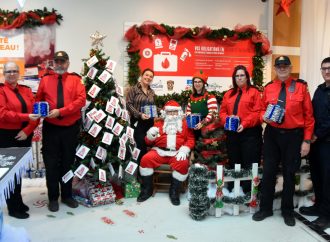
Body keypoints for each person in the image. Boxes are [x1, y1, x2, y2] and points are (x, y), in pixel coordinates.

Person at [252, 56, 314, 226]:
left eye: (285, 65)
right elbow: (260, 110)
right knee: (269, 172)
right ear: (274, 68)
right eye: (279, 66)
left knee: (289, 174)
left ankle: (288, 211)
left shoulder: (301, 87)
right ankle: (265, 209)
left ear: (290, 67)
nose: (282, 68)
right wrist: (262, 116)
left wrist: (306, 141)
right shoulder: (269, 88)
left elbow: (309, 117)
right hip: (272, 135)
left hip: (294, 137)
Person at [35, 51, 86, 212]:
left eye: (62, 61)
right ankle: (52, 198)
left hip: (70, 130)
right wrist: (40, 110)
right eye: (57, 61)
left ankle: (67, 195)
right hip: (51, 129)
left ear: (68, 63)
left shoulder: (76, 80)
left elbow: (81, 101)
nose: (59, 64)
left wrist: (61, 111)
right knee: (51, 165)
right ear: (53, 63)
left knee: (67, 163)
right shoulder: (45, 80)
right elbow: (38, 100)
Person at [0, 61, 39, 219]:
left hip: (24, 134)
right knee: (10, 173)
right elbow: (2, 113)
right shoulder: (1, 91)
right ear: (4, 74)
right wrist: (26, 117)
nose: (12, 74)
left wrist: (28, 129)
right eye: (8, 71)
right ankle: (13, 206)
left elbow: (35, 113)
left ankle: (18, 201)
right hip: (6, 136)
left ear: (19, 73)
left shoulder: (26, 90)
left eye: (15, 71)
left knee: (19, 172)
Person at [137, 100, 195, 205]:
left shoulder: (185, 124)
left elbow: (190, 140)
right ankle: (147, 189)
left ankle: (174, 192)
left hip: (177, 152)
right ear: (165, 113)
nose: (172, 114)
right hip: (159, 151)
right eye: (170, 112)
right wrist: (150, 135)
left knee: (183, 163)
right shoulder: (159, 123)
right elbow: (148, 142)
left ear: (179, 113)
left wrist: (184, 150)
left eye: (174, 112)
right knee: (145, 159)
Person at [219, 65, 263, 193]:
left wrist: (244, 123)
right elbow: (222, 112)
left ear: (247, 77)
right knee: (234, 161)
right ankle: (234, 190)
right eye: (237, 76)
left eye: (242, 75)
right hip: (232, 134)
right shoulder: (228, 94)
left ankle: (249, 191)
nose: (239, 78)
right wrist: (227, 119)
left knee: (249, 163)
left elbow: (257, 113)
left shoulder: (254, 92)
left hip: (250, 134)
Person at [299, 57, 330, 230]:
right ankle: (318, 206)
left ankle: (326, 215)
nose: (327, 71)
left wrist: (316, 134)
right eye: (324, 68)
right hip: (316, 142)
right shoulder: (319, 90)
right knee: (317, 177)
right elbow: (310, 114)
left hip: (327, 143)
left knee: (327, 180)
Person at [126, 68, 156, 165]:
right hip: (137, 122)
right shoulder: (133, 89)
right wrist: (139, 115)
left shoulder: (152, 92)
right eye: (146, 75)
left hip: (149, 123)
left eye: (151, 76)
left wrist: (163, 111)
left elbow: (153, 107)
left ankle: (147, 169)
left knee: (150, 145)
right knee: (140, 147)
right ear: (142, 75)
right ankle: (140, 171)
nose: (148, 77)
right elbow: (128, 104)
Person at [186, 70, 218, 139]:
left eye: (199, 81)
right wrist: (190, 121)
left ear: (204, 83)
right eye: (195, 82)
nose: (197, 84)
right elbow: (188, 111)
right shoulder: (191, 97)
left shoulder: (210, 96)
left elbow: (213, 113)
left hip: (207, 130)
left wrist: (202, 123)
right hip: (194, 128)